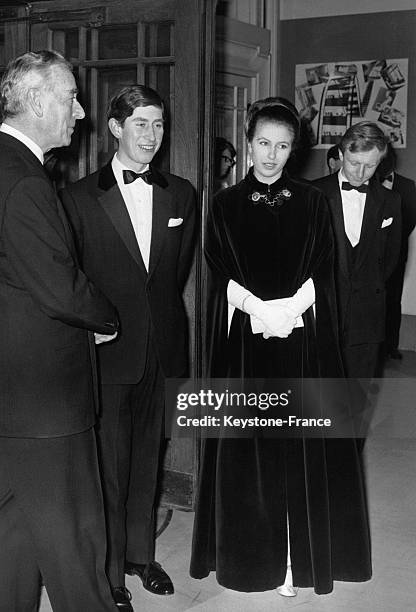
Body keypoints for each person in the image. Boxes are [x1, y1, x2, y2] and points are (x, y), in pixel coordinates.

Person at [0, 50, 119, 612]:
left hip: (1, 395)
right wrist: (108, 318)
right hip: (45, 401)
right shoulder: (23, 181)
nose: (80, 110)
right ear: (40, 101)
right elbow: (62, 289)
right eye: (71, 96)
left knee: (5, 534)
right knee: (76, 538)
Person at [190, 97, 372, 596]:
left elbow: (322, 269)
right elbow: (219, 270)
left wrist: (289, 311)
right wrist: (256, 308)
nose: (271, 155)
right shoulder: (223, 205)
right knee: (251, 452)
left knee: (297, 449)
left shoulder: (312, 202)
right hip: (246, 345)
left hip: (300, 342)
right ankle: (252, 560)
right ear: (249, 144)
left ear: (295, 150)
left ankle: (295, 562)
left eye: (283, 146)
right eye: (264, 144)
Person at [60, 84, 196, 611]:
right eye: (140, 123)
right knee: (110, 466)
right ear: (115, 128)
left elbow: (173, 273)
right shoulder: (77, 197)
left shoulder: (181, 193)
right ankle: (111, 572)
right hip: (108, 350)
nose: (152, 135)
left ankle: (142, 555)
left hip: (163, 348)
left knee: (149, 458)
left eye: (159, 125)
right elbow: (73, 277)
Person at [314, 122, 401, 378]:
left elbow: (390, 260)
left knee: (357, 403)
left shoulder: (391, 202)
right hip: (322, 314)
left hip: (367, 317)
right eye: (354, 163)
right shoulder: (312, 193)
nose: (361, 173)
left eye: (371, 165)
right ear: (340, 155)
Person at [376, 144, 416, 360]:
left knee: (393, 299)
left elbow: (411, 219)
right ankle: (373, 345)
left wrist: (392, 240)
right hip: (370, 254)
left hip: (398, 253)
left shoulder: (408, 185)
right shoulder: (369, 181)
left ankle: (391, 346)